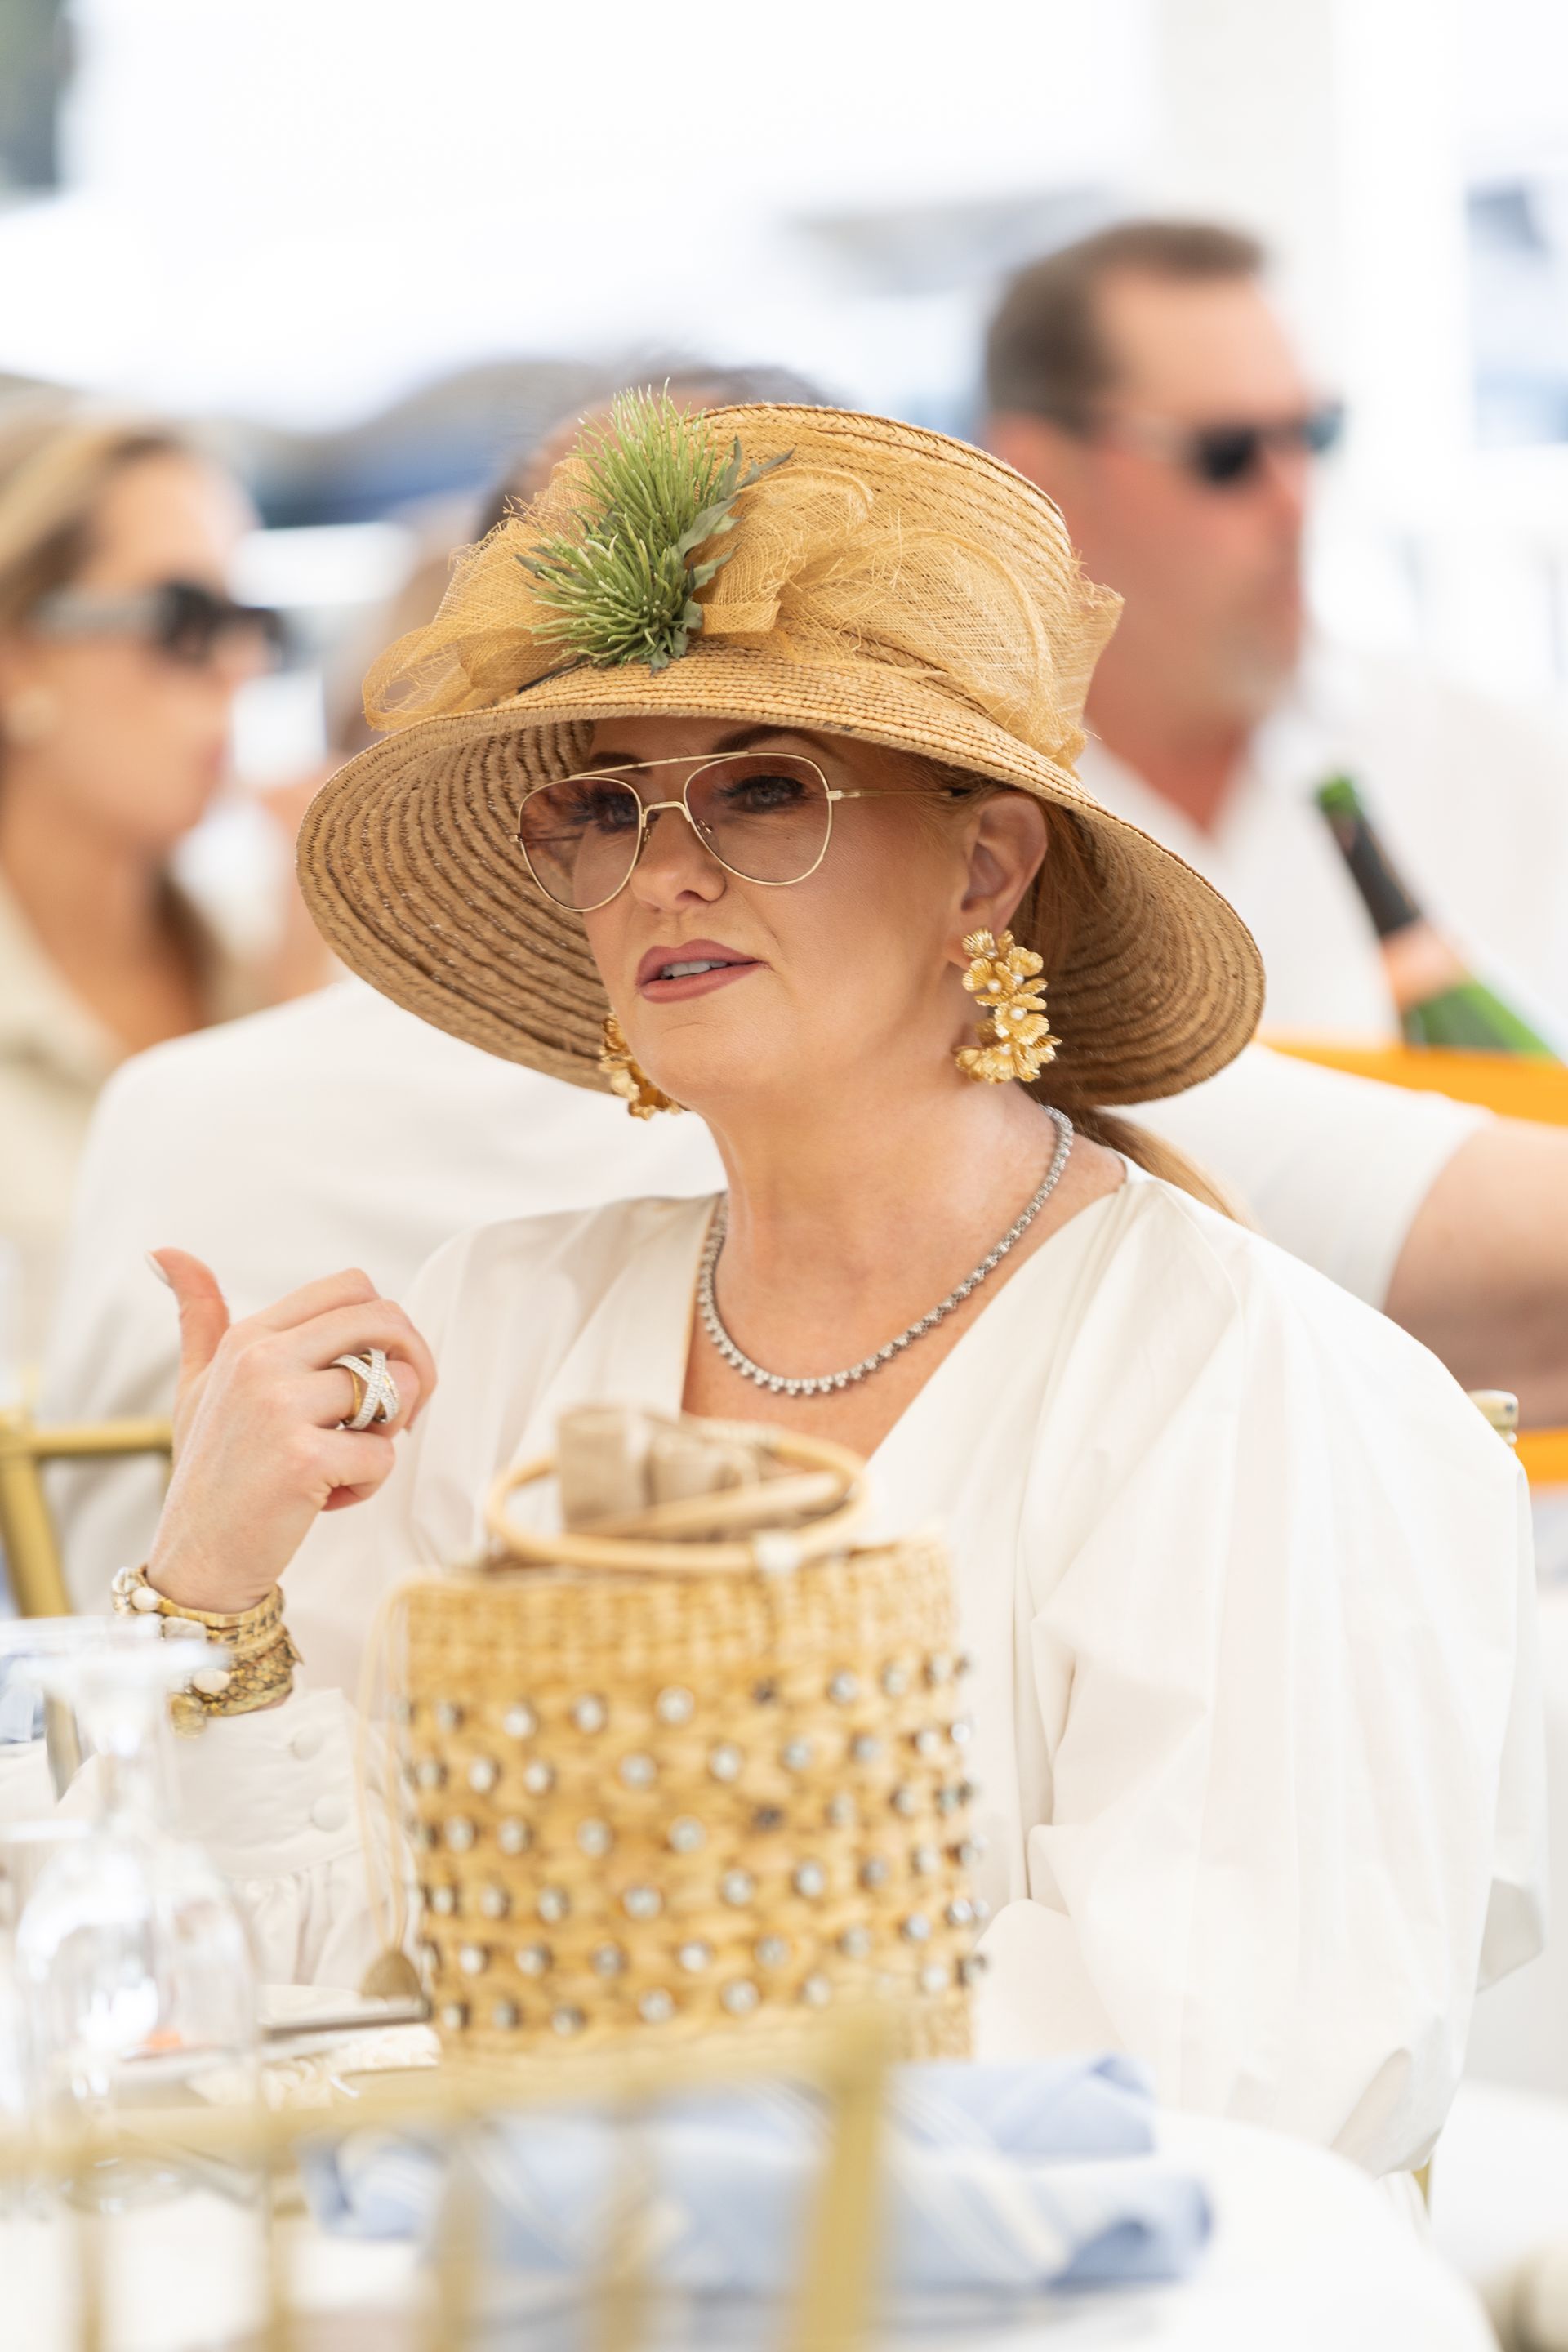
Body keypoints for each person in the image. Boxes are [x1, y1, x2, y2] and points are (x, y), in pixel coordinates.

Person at [126, 399, 1537, 2178]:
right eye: (604, 807)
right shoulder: (496, 1326)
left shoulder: (1248, 1383)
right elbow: (281, 2017)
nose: (667, 870)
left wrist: (579, 2055)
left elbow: (1230, 2094)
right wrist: (214, 1593)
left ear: (986, 863)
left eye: (764, 786)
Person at [982, 219, 1568, 1040]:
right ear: (1038, 470)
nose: (1296, 500)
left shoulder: (1502, 766)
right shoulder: (948, 810)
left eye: (1313, 436)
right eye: (1226, 453)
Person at [0, 399, 306, 1366]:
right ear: (15, 654)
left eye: (251, 620)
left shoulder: (271, 964)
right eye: (184, 619)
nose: (241, 666)